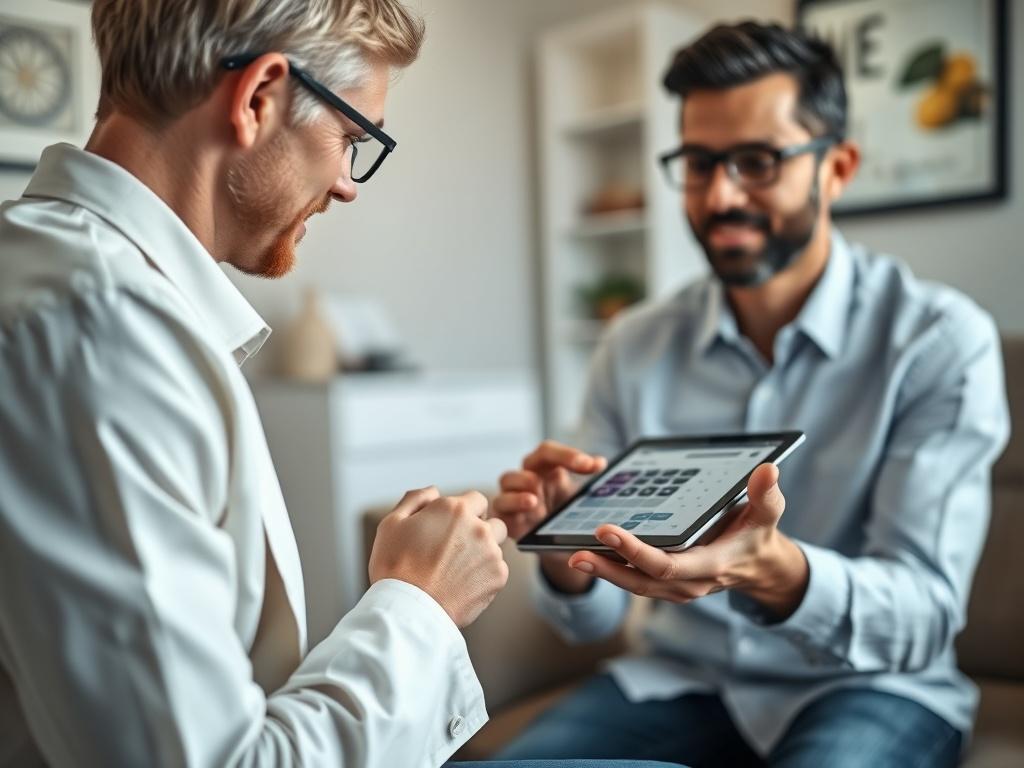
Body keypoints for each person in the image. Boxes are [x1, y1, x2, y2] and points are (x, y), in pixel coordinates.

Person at [491, 21, 1009, 768]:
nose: (721, 194)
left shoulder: (939, 341)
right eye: (699, 164)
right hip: (681, 678)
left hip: (870, 686)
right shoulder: (633, 345)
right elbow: (589, 623)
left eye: (758, 161)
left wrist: (774, 571)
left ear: (837, 167)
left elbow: (925, 618)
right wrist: (558, 543)